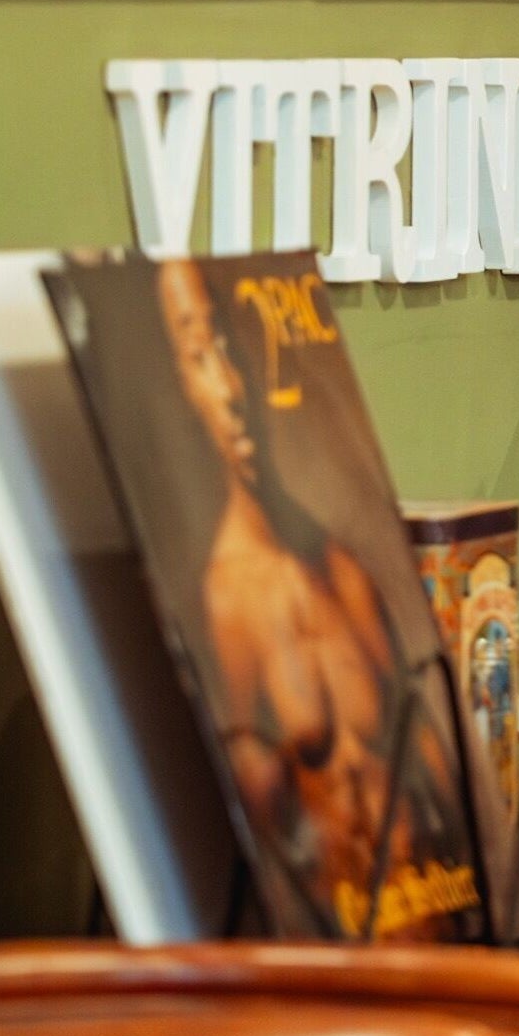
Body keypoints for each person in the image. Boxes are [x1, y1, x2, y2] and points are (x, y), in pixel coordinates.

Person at [161, 257, 427, 934]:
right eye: (199, 355)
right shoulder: (225, 601)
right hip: (327, 952)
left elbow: (430, 764)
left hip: (423, 924)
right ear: (181, 387)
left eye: (229, 345)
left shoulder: (340, 566)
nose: (229, 385)